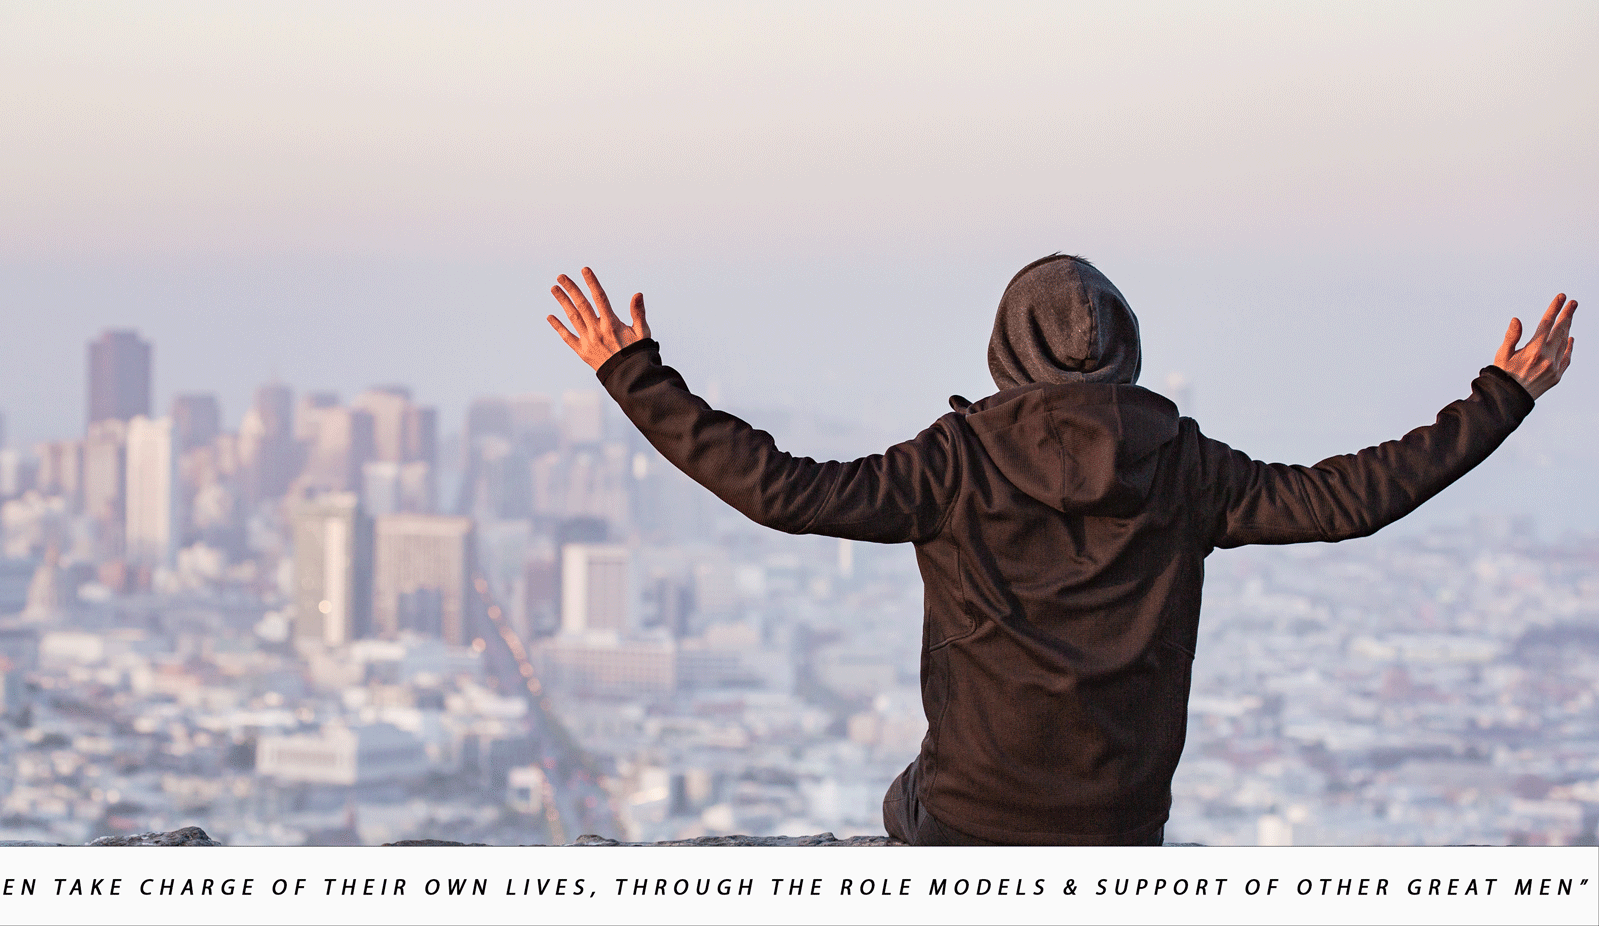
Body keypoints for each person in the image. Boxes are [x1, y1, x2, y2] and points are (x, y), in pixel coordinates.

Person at [545, 259, 1576, 845]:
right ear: (1126, 344)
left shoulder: (954, 462)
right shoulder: (1186, 467)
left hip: (969, 818)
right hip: (1121, 819)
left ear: (1004, 352)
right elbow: (1353, 498)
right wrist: (1503, 395)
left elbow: (783, 489)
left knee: (898, 807)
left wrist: (634, 373)